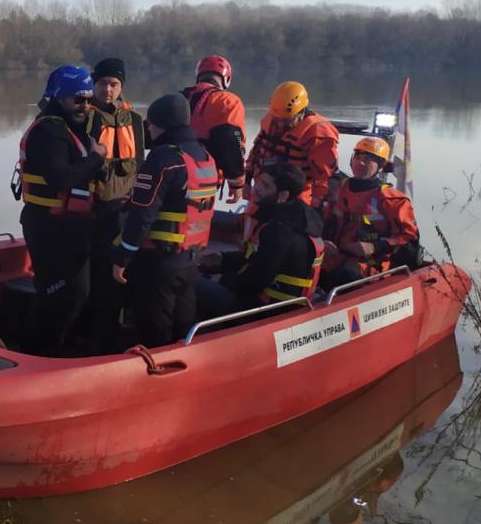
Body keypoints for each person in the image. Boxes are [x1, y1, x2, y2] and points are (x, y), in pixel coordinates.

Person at [11, 65, 106, 356]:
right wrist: (96, 159)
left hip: (67, 227)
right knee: (59, 296)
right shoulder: (48, 132)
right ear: (59, 97)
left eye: (90, 100)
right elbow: (62, 178)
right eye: (78, 99)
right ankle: (37, 353)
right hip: (50, 227)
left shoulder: (67, 129)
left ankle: (59, 347)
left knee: (76, 295)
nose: (86, 106)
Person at [112, 93, 217, 347]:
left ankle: (157, 376)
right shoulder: (204, 156)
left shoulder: (163, 159)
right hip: (190, 258)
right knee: (183, 321)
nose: (148, 127)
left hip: (158, 262)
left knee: (154, 326)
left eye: (151, 122)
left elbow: (142, 214)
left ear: (162, 124)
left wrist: (122, 258)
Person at [196, 162, 325, 319]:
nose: (256, 188)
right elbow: (255, 259)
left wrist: (222, 278)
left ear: (282, 195)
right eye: (258, 182)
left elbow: (253, 282)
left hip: (268, 310)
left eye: (265, 185)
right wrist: (222, 260)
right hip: (277, 304)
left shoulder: (281, 232)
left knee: (192, 284)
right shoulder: (296, 217)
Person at [79, 57, 145, 353]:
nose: (108, 90)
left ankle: (112, 332)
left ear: (122, 87)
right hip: (93, 211)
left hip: (124, 209)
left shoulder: (134, 119)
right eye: (103, 83)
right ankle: (94, 335)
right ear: (94, 84)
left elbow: (142, 162)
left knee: (118, 276)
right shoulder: (85, 116)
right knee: (96, 276)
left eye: (114, 84)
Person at [321, 137, 420, 288]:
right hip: (335, 255)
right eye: (358, 157)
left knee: (344, 276)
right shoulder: (340, 188)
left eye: (368, 159)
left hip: (370, 264)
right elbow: (326, 220)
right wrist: (324, 241)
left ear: (380, 166)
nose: (360, 163)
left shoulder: (392, 199)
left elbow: (409, 238)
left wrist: (375, 247)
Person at [246, 81, 339, 211]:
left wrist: (318, 206)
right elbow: (256, 151)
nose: (280, 125)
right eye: (277, 120)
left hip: (296, 199)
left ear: (301, 112)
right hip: (263, 190)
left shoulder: (317, 134)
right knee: (251, 222)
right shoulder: (271, 120)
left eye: (285, 121)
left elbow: (325, 177)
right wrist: (247, 180)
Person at [181, 54, 246, 204]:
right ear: (226, 79)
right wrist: (237, 182)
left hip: (169, 171)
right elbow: (231, 142)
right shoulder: (227, 101)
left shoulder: (178, 98)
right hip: (202, 178)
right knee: (194, 223)